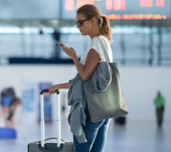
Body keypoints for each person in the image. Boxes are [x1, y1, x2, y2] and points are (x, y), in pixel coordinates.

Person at [45, 4, 113, 152]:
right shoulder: (104, 42)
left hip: (91, 110)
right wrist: (57, 87)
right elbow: (86, 82)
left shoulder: (96, 43)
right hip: (104, 109)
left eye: (80, 22)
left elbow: (84, 75)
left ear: (93, 20)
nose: (78, 27)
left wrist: (74, 57)